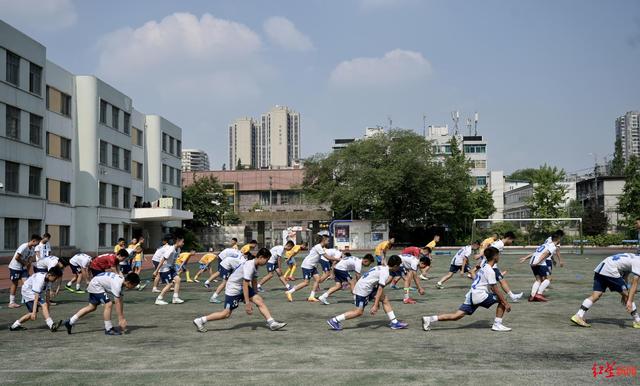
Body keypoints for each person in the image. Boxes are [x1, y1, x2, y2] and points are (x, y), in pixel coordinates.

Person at [193, 248, 287, 332]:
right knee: (226, 314)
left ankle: (272, 323)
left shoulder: (255, 265)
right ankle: (200, 320)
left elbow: (254, 281)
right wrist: (247, 303)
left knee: (259, 300)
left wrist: (255, 294)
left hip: (241, 287)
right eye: (266, 260)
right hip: (233, 289)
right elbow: (245, 284)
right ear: (261, 257)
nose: (266, 262)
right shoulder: (250, 266)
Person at [422, 247, 512, 332]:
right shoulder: (490, 271)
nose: (499, 257)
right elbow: (495, 288)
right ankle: (497, 324)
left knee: (456, 316)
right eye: (498, 255)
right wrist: (505, 303)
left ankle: (429, 319)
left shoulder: (484, 267)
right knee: (503, 299)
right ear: (495, 256)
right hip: (480, 296)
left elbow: (476, 277)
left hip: (472, 294)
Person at [326, 255, 408, 331]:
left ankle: (394, 323)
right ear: (395, 266)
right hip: (362, 290)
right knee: (358, 312)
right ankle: (334, 320)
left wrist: (376, 298)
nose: (399, 267)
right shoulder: (385, 272)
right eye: (399, 265)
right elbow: (380, 289)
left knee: (384, 299)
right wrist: (375, 305)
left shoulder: (382, 267)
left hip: (368, 287)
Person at [570, 253, 640, 328]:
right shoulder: (638, 262)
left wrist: (625, 289)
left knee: (596, 295)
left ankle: (578, 315)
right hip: (610, 269)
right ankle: (637, 320)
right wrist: (628, 298)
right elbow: (634, 283)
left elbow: (625, 276)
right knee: (628, 296)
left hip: (602, 267)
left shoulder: (635, 257)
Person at [63, 272, 140, 335]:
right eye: (134, 285)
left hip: (95, 283)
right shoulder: (117, 284)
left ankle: (70, 321)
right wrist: (121, 319)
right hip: (96, 285)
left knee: (92, 307)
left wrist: (121, 317)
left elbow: (120, 300)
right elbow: (117, 302)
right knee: (108, 304)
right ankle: (108, 328)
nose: (134, 287)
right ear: (129, 283)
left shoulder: (122, 282)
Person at [286, 236, 340, 302]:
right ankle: (290, 292)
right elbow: (328, 257)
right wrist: (338, 259)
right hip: (307, 265)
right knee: (306, 283)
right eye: (327, 240)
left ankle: (311, 296)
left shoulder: (320, 247)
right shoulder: (318, 247)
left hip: (312, 266)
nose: (328, 241)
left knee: (317, 279)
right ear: (323, 240)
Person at [9, 266, 64, 332]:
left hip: (31, 291)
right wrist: (35, 312)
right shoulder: (40, 280)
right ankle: (51, 325)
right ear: (50, 275)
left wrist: (47, 309)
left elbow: (47, 294)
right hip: (27, 291)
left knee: (32, 313)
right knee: (41, 306)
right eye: (55, 278)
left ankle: (14, 326)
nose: (56, 280)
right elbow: (36, 296)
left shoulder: (49, 279)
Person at [480, 232, 523, 302]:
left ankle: (510, 296)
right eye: (512, 240)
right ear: (509, 238)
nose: (512, 242)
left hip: (490, 265)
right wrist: (480, 256)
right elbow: (489, 250)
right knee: (500, 280)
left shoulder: (498, 242)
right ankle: (511, 296)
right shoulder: (500, 244)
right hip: (489, 265)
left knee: (498, 280)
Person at [519, 235, 561, 302]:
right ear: (558, 240)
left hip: (532, 262)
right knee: (549, 278)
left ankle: (532, 296)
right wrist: (538, 262)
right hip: (539, 263)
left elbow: (535, 253)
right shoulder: (553, 247)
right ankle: (539, 294)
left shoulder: (544, 244)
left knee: (538, 279)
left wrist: (525, 258)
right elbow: (545, 254)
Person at [8, 234, 41, 308]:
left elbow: (29, 261)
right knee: (15, 284)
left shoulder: (32, 249)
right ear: (33, 241)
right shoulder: (24, 246)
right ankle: (11, 302)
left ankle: (31, 300)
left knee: (27, 283)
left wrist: (27, 271)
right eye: (37, 243)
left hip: (23, 269)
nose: (38, 245)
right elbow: (17, 257)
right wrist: (24, 263)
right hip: (15, 267)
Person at [153, 236, 185, 305]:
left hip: (170, 268)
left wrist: (175, 268)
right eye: (182, 242)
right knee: (170, 284)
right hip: (164, 269)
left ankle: (175, 298)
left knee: (178, 279)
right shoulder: (171, 249)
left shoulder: (178, 249)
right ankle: (159, 299)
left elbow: (173, 260)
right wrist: (156, 270)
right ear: (177, 241)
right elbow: (163, 259)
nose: (183, 243)